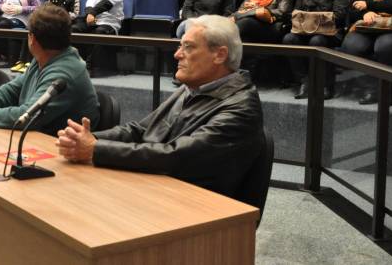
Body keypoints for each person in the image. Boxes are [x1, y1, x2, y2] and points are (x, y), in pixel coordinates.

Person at [56, 14, 264, 200]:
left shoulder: (241, 107)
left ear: (219, 55)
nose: (177, 54)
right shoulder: (192, 88)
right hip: (159, 189)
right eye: (180, 46)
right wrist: (86, 140)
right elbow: (140, 130)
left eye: (188, 47)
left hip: (195, 210)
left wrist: (96, 149)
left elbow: (176, 156)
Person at [0, 3, 99, 135]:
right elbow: (12, 90)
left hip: (56, 149)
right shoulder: (44, 58)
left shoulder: (63, 74)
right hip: (40, 140)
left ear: (32, 39)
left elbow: (26, 116)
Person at [284, 0, 351, 99]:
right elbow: (296, 12)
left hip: (329, 31)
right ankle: (304, 81)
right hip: (305, 29)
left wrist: (311, 14)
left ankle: (325, 84)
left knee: (317, 41)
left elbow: (338, 16)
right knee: (289, 39)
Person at [72, 0, 124, 76]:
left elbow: (105, 4)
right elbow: (89, 5)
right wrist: (90, 15)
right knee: (74, 29)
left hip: (109, 23)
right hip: (93, 20)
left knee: (98, 32)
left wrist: (92, 14)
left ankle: (90, 67)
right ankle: (76, 64)